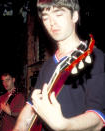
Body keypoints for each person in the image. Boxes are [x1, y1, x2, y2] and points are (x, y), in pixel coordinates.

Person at [13, 0, 105, 131]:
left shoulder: (95, 57)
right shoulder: (47, 65)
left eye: (59, 14)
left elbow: (98, 120)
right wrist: (18, 127)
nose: (52, 23)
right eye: (46, 17)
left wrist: (64, 125)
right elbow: (30, 106)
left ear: (74, 16)